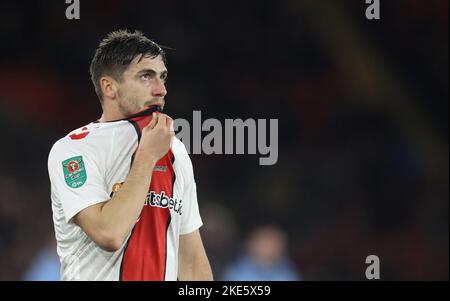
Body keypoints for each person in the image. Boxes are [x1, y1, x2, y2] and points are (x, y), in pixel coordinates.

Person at [47, 30, 213, 281]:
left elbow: (191, 261)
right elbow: (109, 233)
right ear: (109, 87)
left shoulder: (174, 150)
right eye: (146, 76)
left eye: (163, 77)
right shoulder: (74, 150)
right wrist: (147, 157)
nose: (161, 90)